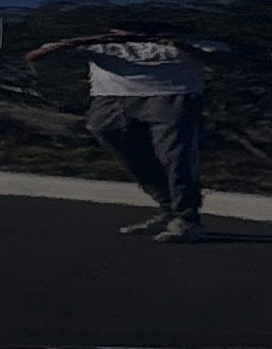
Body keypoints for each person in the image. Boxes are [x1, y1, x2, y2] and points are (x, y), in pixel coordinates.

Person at [30, 26, 222, 239]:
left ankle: (187, 220)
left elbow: (223, 59)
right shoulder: (100, 43)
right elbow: (36, 57)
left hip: (172, 94)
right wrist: (91, 39)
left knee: (174, 157)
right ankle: (168, 210)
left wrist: (175, 44)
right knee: (125, 149)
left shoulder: (186, 41)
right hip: (111, 99)